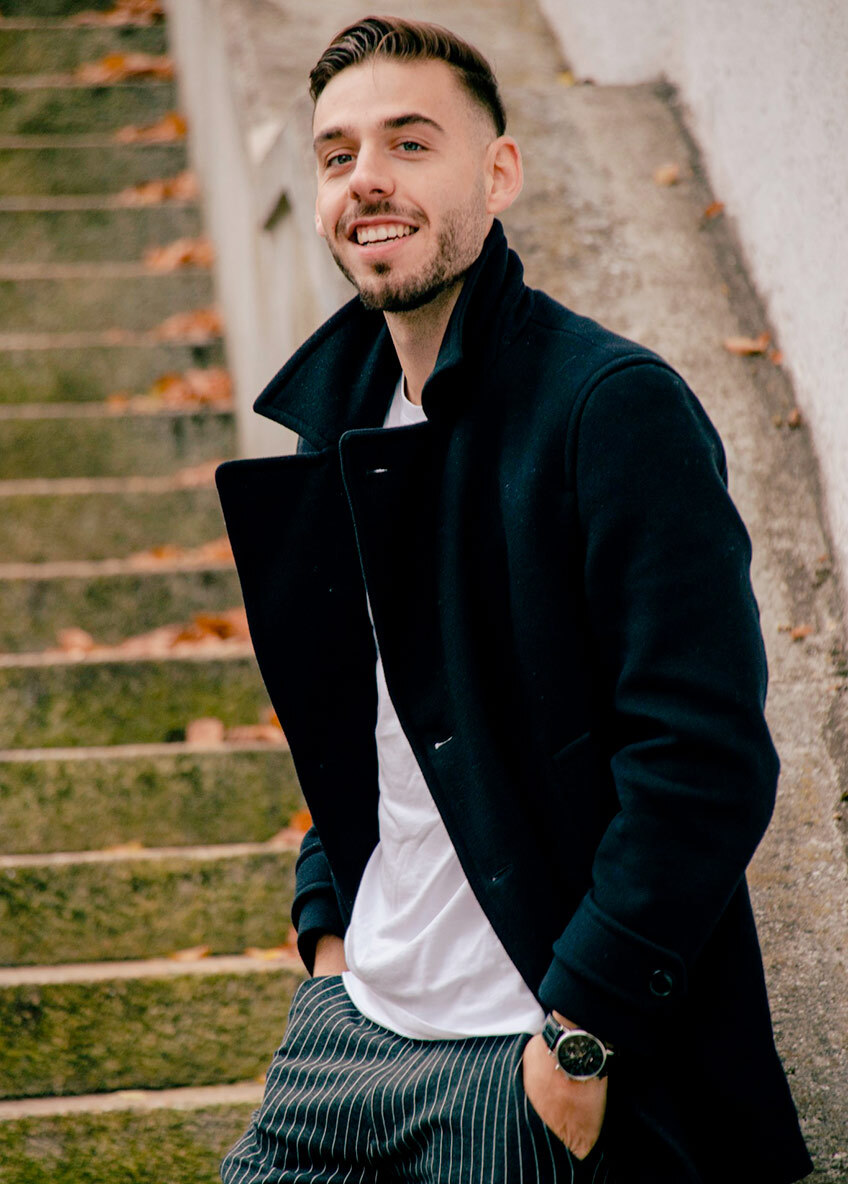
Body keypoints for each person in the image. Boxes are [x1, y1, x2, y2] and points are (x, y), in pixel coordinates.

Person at [216, 16, 813, 1184]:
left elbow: (703, 758)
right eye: (337, 154)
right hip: (347, 1032)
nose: (366, 178)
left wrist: (579, 1030)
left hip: (523, 1055)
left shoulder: (609, 406)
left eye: (409, 143)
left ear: (498, 173)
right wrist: (325, 927)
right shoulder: (339, 426)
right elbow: (366, 727)